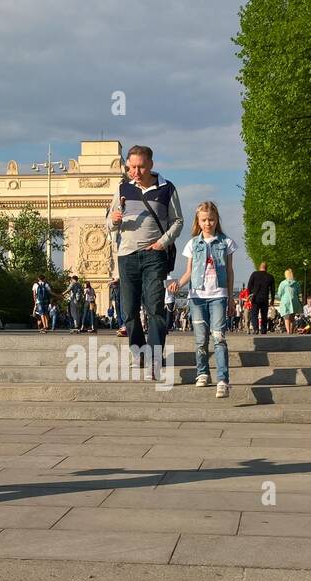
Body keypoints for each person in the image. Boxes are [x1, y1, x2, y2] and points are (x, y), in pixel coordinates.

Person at [108, 145, 184, 378]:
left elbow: (178, 220)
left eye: (140, 167)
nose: (136, 172)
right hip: (127, 255)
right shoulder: (122, 188)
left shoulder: (166, 188)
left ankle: (154, 357)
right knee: (129, 310)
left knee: (155, 308)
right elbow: (109, 224)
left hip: (154, 254)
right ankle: (137, 351)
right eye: (132, 167)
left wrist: (163, 242)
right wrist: (114, 220)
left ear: (150, 164)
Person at [170, 200, 235, 398]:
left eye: (212, 220)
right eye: (204, 220)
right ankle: (202, 372)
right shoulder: (192, 244)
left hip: (218, 295)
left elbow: (230, 272)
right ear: (198, 221)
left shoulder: (226, 243)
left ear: (217, 220)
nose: (208, 223)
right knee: (200, 340)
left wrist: (231, 297)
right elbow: (189, 271)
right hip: (197, 297)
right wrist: (178, 284)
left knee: (219, 337)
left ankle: (223, 379)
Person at [246, 262, 272, 335]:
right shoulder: (270, 276)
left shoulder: (254, 274)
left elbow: (249, 285)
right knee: (264, 315)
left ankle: (256, 329)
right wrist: (272, 299)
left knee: (254, 314)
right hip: (265, 298)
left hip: (255, 297)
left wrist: (250, 295)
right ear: (266, 268)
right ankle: (263, 330)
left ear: (259, 267)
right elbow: (272, 289)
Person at [276, 268, 301, 334]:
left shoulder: (283, 283)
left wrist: (281, 297)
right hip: (294, 300)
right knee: (292, 317)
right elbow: (299, 292)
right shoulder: (296, 283)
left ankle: (288, 331)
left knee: (286, 317)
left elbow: (279, 293)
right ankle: (291, 331)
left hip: (285, 300)